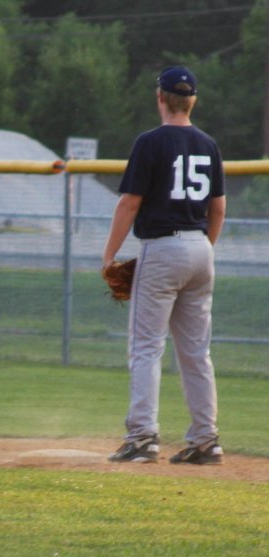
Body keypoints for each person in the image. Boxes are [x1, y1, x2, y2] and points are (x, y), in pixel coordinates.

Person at [102, 66, 226, 465]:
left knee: (146, 347)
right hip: (201, 248)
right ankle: (206, 441)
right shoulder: (208, 144)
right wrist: (201, 248)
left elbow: (129, 203)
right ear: (193, 101)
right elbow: (218, 208)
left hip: (162, 248)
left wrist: (109, 256)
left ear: (160, 98)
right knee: (196, 352)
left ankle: (142, 437)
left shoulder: (150, 142)